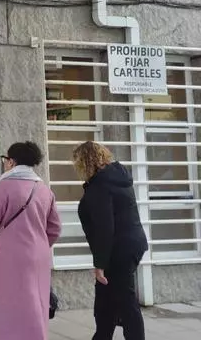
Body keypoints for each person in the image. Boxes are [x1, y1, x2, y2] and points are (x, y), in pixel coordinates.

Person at [0, 141, 61, 340]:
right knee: (36, 304)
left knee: (9, 307)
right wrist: (39, 245)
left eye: (5, 159)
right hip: (39, 257)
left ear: (12, 162)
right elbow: (55, 228)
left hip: (10, 257)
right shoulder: (44, 189)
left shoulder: (3, 187)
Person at [73, 141, 148, 340]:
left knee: (126, 302)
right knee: (105, 300)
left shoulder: (100, 185)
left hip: (118, 251)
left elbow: (105, 228)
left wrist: (100, 264)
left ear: (84, 162)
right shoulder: (116, 177)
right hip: (131, 244)